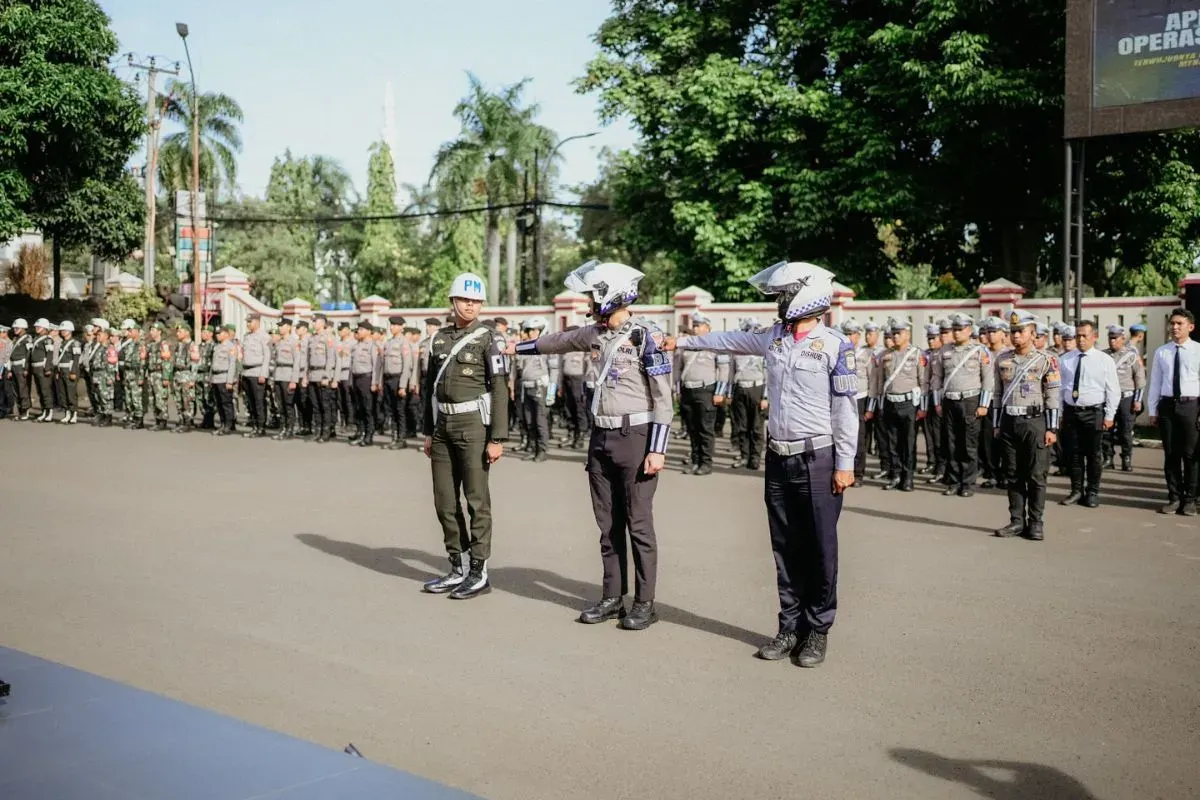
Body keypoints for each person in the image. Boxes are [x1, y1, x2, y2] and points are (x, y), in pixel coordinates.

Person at [666, 261, 857, 668]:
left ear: (806, 295)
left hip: (818, 458)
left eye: (783, 295)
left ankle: (817, 630)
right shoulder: (775, 339)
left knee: (820, 548)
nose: (779, 303)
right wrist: (682, 342)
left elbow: (845, 412)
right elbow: (731, 339)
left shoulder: (836, 346)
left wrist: (845, 463)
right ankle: (789, 627)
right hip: (779, 458)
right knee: (785, 547)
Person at [513, 261, 672, 629]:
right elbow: (559, 341)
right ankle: (612, 597)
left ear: (610, 294)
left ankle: (645, 603)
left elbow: (663, 398)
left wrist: (658, 449)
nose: (588, 301)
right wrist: (518, 348)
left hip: (636, 437)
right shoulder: (595, 334)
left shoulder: (646, 336)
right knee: (607, 524)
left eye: (592, 294)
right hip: (600, 436)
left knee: (639, 524)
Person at [421, 273, 511, 600]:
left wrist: (497, 437)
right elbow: (427, 389)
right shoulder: (439, 340)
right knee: (444, 501)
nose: (470, 306)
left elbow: (500, 390)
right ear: (453, 302)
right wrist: (428, 432)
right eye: (465, 300)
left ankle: (478, 570)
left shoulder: (489, 339)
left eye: (475, 301)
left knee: (476, 500)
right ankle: (456, 565)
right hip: (443, 426)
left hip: (474, 426)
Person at [991, 310, 1061, 541]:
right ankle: (1016, 521)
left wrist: (1052, 429)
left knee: (1036, 474)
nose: (1016, 336)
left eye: (1020, 331)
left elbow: (1052, 396)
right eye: (1013, 332)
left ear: (1032, 333)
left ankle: (1036, 522)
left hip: (1035, 422)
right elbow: (998, 394)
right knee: (1012, 473)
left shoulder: (1046, 361)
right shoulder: (1002, 359)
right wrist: (996, 424)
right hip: (1009, 421)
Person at [1057, 320, 1120, 508]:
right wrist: (1060, 413)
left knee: (1093, 454)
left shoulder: (1104, 360)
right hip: (1071, 412)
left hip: (1094, 412)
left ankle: (1092, 491)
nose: (1080, 339)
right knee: (1074, 454)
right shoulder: (1066, 359)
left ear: (1094, 336)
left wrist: (1109, 415)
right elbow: (1060, 388)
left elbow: (1113, 390)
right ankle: (1076, 490)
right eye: (1078, 336)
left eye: (1084, 335)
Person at [930, 314, 993, 497]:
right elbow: (937, 378)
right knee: (950, 443)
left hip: (970, 400)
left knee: (968, 444)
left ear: (969, 330)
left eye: (960, 329)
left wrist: (984, 404)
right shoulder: (945, 350)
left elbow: (988, 379)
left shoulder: (980, 351)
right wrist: (937, 403)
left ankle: (967, 482)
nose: (956, 333)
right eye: (954, 329)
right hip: (949, 401)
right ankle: (954, 480)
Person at [1146, 308, 1200, 516]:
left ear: (1190, 327)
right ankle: (1174, 497)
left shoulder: (1197, 350)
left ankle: (1190, 499)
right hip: (1168, 406)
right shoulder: (1163, 352)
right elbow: (1156, 383)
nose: (1175, 327)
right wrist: (1153, 409)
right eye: (1173, 323)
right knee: (1171, 454)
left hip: (1191, 406)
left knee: (1191, 454)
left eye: (1180, 324)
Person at [870, 318, 928, 491]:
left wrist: (922, 407)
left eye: (898, 333)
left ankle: (907, 478)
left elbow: (923, 382)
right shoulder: (885, 355)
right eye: (893, 333)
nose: (895, 336)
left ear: (907, 334)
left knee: (908, 443)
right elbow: (880, 382)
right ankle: (895, 475)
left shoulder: (917, 354)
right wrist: (879, 405)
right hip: (890, 404)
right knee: (892, 443)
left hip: (909, 404)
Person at [675, 312, 730, 475]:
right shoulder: (686, 345)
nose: (695, 328)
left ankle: (705, 463)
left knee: (705, 429)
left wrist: (720, 392)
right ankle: (695, 460)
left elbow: (723, 370)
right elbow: (677, 369)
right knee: (692, 428)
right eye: (694, 326)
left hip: (706, 390)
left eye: (698, 326)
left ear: (707, 328)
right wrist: (677, 390)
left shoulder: (716, 345)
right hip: (688, 390)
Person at [1102, 325, 1146, 472]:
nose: (1112, 341)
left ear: (1123, 338)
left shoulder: (1131, 356)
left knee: (1125, 431)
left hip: (1126, 398)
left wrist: (1138, 400)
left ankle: (1126, 458)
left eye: (1115, 338)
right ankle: (1108, 457)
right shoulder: (1103, 356)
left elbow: (1139, 379)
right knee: (1106, 430)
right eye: (1110, 338)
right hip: (1107, 398)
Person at [515, 317, 559, 462]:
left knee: (540, 422)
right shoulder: (527, 346)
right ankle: (533, 449)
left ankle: (542, 451)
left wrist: (552, 392)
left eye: (533, 330)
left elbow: (554, 370)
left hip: (540, 388)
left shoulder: (548, 347)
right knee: (529, 421)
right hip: (526, 388)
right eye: (529, 330)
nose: (530, 333)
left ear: (541, 330)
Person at [728, 317, 768, 470]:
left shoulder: (762, 350)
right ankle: (744, 456)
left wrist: (766, 396)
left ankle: (755, 459)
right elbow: (731, 374)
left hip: (757, 389)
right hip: (740, 389)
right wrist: (729, 393)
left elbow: (768, 375)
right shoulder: (736, 351)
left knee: (756, 427)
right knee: (741, 427)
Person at [348, 320, 383, 447]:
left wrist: (375, 382)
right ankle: (361, 432)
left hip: (367, 379)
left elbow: (376, 366)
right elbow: (352, 366)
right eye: (359, 329)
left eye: (362, 329)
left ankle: (369, 435)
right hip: (356, 378)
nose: (359, 332)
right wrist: (351, 381)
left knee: (368, 409)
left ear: (368, 331)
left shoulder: (373, 346)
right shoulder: (356, 346)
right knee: (359, 408)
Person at [920, 324, 945, 480]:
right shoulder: (926, 354)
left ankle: (941, 466)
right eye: (929, 338)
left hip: (941, 398)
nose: (930, 341)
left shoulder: (943, 354)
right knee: (929, 433)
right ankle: (931, 461)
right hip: (928, 397)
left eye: (933, 338)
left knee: (939, 435)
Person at [270, 318, 302, 440]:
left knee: (288, 404)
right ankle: (283, 428)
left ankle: (290, 429)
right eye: (279, 326)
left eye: (282, 326)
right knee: (280, 404)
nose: (280, 328)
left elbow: (297, 362)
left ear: (289, 327)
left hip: (288, 376)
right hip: (278, 375)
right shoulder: (279, 342)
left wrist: (294, 380)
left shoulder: (294, 342)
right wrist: (273, 378)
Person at [239, 314, 271, 438]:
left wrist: (263, 374)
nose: (247, 324)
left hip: (257, 372)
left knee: (259, 401)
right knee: (250, 402)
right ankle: (254, 426)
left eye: (250, 322)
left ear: (257, 322)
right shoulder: (246, 336)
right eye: (247, 322)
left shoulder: (264, 337)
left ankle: (261, 427)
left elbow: (267, 356)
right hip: (247, 372)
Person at [210, 323, 240, 435]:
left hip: (224, 377)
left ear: (226, 334)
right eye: (216, 333)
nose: (217, 335)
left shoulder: (231, 347)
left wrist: (229, 381)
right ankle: (223, 424)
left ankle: (229, 424)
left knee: (226, 402)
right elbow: (213, 364)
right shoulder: (216, 347)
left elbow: (232, 364)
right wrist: (210, 378)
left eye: (220, 333)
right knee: (219, 403)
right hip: (216, 378)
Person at [145, 322, 174, 431]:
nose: (151, 332)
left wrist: (166, 377)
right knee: (152, 399)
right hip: (152, 373)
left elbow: (167, 361)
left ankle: (163, 420)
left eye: (153, 330)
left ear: (159, 331)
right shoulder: (150, 345)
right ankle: (157, 419)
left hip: (160, 373)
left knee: (160, 398)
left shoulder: (164, 344)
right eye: (151, 330)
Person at [172, 321, 201, 432]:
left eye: (180, 331)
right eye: (177, 331)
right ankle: (181, 420)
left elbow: (195, 363)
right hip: (178, 375)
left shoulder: (192, 346)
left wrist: (192, 379)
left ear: (187, 332)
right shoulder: (178, 345)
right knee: (178, 400)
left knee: (187, 400)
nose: (177, 333)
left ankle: (188, 422)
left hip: (187, 375)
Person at [53, 320, 82, 424]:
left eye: (64, 330)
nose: (62, 332)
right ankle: (67, 413)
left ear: (70, 331)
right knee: (63, 393)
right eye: (61, 330)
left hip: (70, 370)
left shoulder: (75, 343)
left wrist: (73, 371)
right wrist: (57, 371)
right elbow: (58, 359)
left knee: (71, 393)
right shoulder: (62, 343)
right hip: (61, 370)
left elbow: (76, 358)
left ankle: (74, 414)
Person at [7, 319, 31, 419]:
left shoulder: (27, 339)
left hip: (21, 366)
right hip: (13, 366)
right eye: (15, 328)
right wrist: (9, 370)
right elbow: (10, 355)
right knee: (16, 390)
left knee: (22, 389)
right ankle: (20, 410)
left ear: (23, 328)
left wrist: (26, 368)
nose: (15, 329)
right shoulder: (15, 339)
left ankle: (25, 410)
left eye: (17, 328)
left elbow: (29, 354)